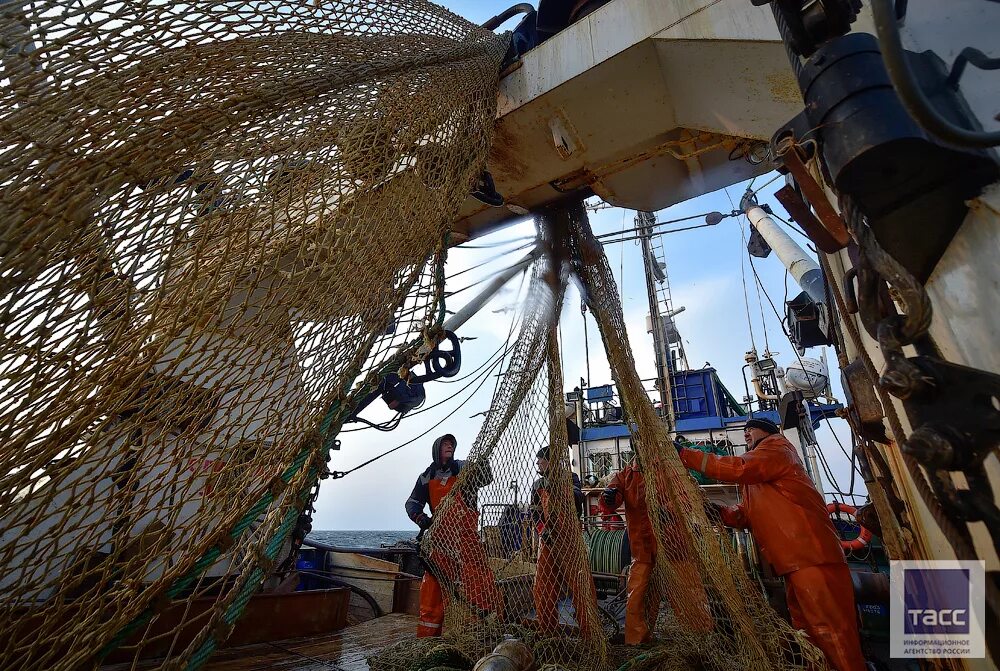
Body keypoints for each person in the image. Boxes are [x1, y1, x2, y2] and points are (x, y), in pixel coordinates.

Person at [679, 418, 866, 671]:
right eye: (744, 431)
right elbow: (747, 513)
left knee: (831, 632)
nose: (746, 435)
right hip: (793, 561)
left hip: (810, 556)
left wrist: (685, 455)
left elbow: (739, 468)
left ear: (768, 432)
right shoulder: (760, 476)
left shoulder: (777, 448)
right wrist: (719, 513)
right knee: (807, 633)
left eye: (750, 430)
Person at [599, 449, 712, 645]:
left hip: (674, 547)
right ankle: (636, 639)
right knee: (637, 596)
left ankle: (701, 637)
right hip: (643, 549)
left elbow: (687, 497)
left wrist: (668, 511)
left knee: (688, 593)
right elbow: (609, 501)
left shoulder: (670, 471)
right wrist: (608, 497)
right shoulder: (624, 475)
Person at [404, 433, 502, 637]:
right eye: (445, 444)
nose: (449, 446)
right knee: (432, 589)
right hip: (440, 540)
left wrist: (484, 465)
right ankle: (427, 639)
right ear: (437, 449)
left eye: (451, 444)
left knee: (478, 584)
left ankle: (478, 635)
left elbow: (486, 478)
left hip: (467, 537)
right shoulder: (427, 476)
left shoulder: (463, 467)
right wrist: (421, 518)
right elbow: (412, 502)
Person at [530, 445, 595, 637]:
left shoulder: (570, 478)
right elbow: (534, 513)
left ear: (550, 461)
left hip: (570, 540)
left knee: (580, 584)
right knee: (544, 586)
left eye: (541, 460)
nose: (538, 463)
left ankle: (588, 631)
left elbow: (578, 499)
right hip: (548, 541)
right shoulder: (537, 485)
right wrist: (543, 531)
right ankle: (548, 631)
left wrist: (557, 486)